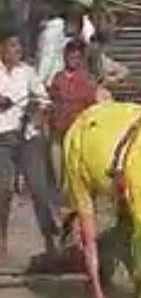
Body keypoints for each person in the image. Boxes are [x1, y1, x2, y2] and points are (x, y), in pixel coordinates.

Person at [0, 31, 58, 259]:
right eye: (13, 46)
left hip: (27, 138)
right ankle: (2, 239)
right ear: (1, 48)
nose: (18, 51)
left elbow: (45, 101)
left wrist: (37, 114)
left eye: (19, 47)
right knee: (3, 191)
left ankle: (50, 240)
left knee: (39, 189)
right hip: (2, 139)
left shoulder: (28, 72)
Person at [47, 40, 97, 188]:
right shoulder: (58, 77)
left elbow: (91, 103)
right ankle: (58, 188)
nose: (73, 61)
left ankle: (68, 195)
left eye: (76, 58)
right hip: (58, 127)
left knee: (71, 164)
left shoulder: (86, 79)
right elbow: (51, 98)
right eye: (70, 57)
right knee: (57, 163)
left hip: (76, 128)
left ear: (81, 59)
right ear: (65, 57)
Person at [34, 3, 66, 85]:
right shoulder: (55, 27)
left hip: (50, 78)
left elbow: (47, 56)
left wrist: (39, 79)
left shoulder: (52, 31)